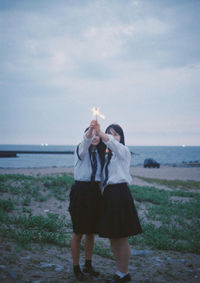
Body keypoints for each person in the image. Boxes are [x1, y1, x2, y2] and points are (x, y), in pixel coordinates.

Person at [95, 122, 142, 283]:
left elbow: (112, 143)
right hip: (108, 195)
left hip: (120, 193)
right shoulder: (105, 155)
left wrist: (103, 133)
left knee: (122, 237)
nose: (112, 136)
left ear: (121, 137)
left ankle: (124, 272)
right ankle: (119, 270)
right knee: (112, 236)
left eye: (115, 133)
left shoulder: (123, 151)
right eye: (110, 133)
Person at [68, 120, 105, 281]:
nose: (95, 137)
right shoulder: (81, 149)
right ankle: (76, 268)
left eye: (98, 134)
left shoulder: (101, 154)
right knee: (78, 232)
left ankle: (88, 264)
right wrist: (91, 129)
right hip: (81, 191)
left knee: (91, 232)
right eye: (92, 134)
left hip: (95, 192)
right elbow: (86, 140)